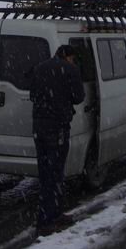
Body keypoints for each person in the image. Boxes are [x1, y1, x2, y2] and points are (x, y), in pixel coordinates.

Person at [30, 44, 85, 235]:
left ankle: (55, 214)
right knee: (55, 172)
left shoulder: (39, 68)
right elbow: (79, 97)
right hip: (58, 127)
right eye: (72, 59)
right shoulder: (70, 70)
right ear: (68, 57)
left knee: (46, 171)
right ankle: (46, 220)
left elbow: (32, 95)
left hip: (39, 126)